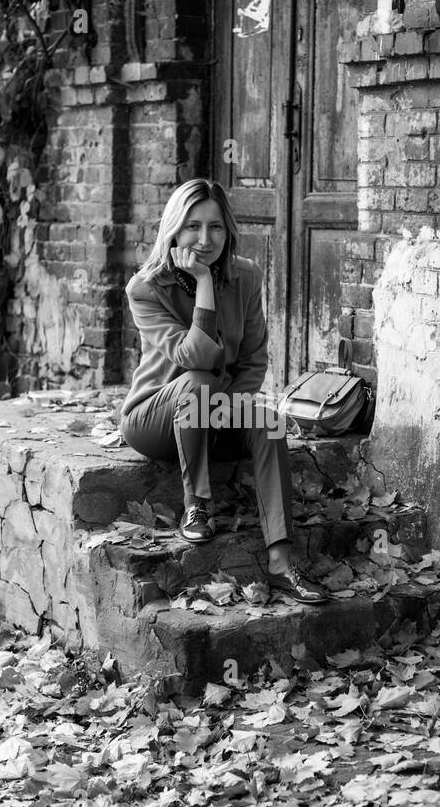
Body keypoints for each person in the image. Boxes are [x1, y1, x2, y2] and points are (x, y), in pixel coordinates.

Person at [119, 178, 328, 605]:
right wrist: (204, 285)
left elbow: (254, 360)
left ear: (228, 231)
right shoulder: (146, 287)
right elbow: (192, 356)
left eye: (215, 227)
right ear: (174, 230)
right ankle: (196, 505)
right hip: (153, 417)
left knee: (266, 420)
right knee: (199, 381)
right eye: (193, 226)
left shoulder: (246, 275)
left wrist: (227, 409)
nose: (204, 238)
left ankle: (282, 562)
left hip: (213, 412)